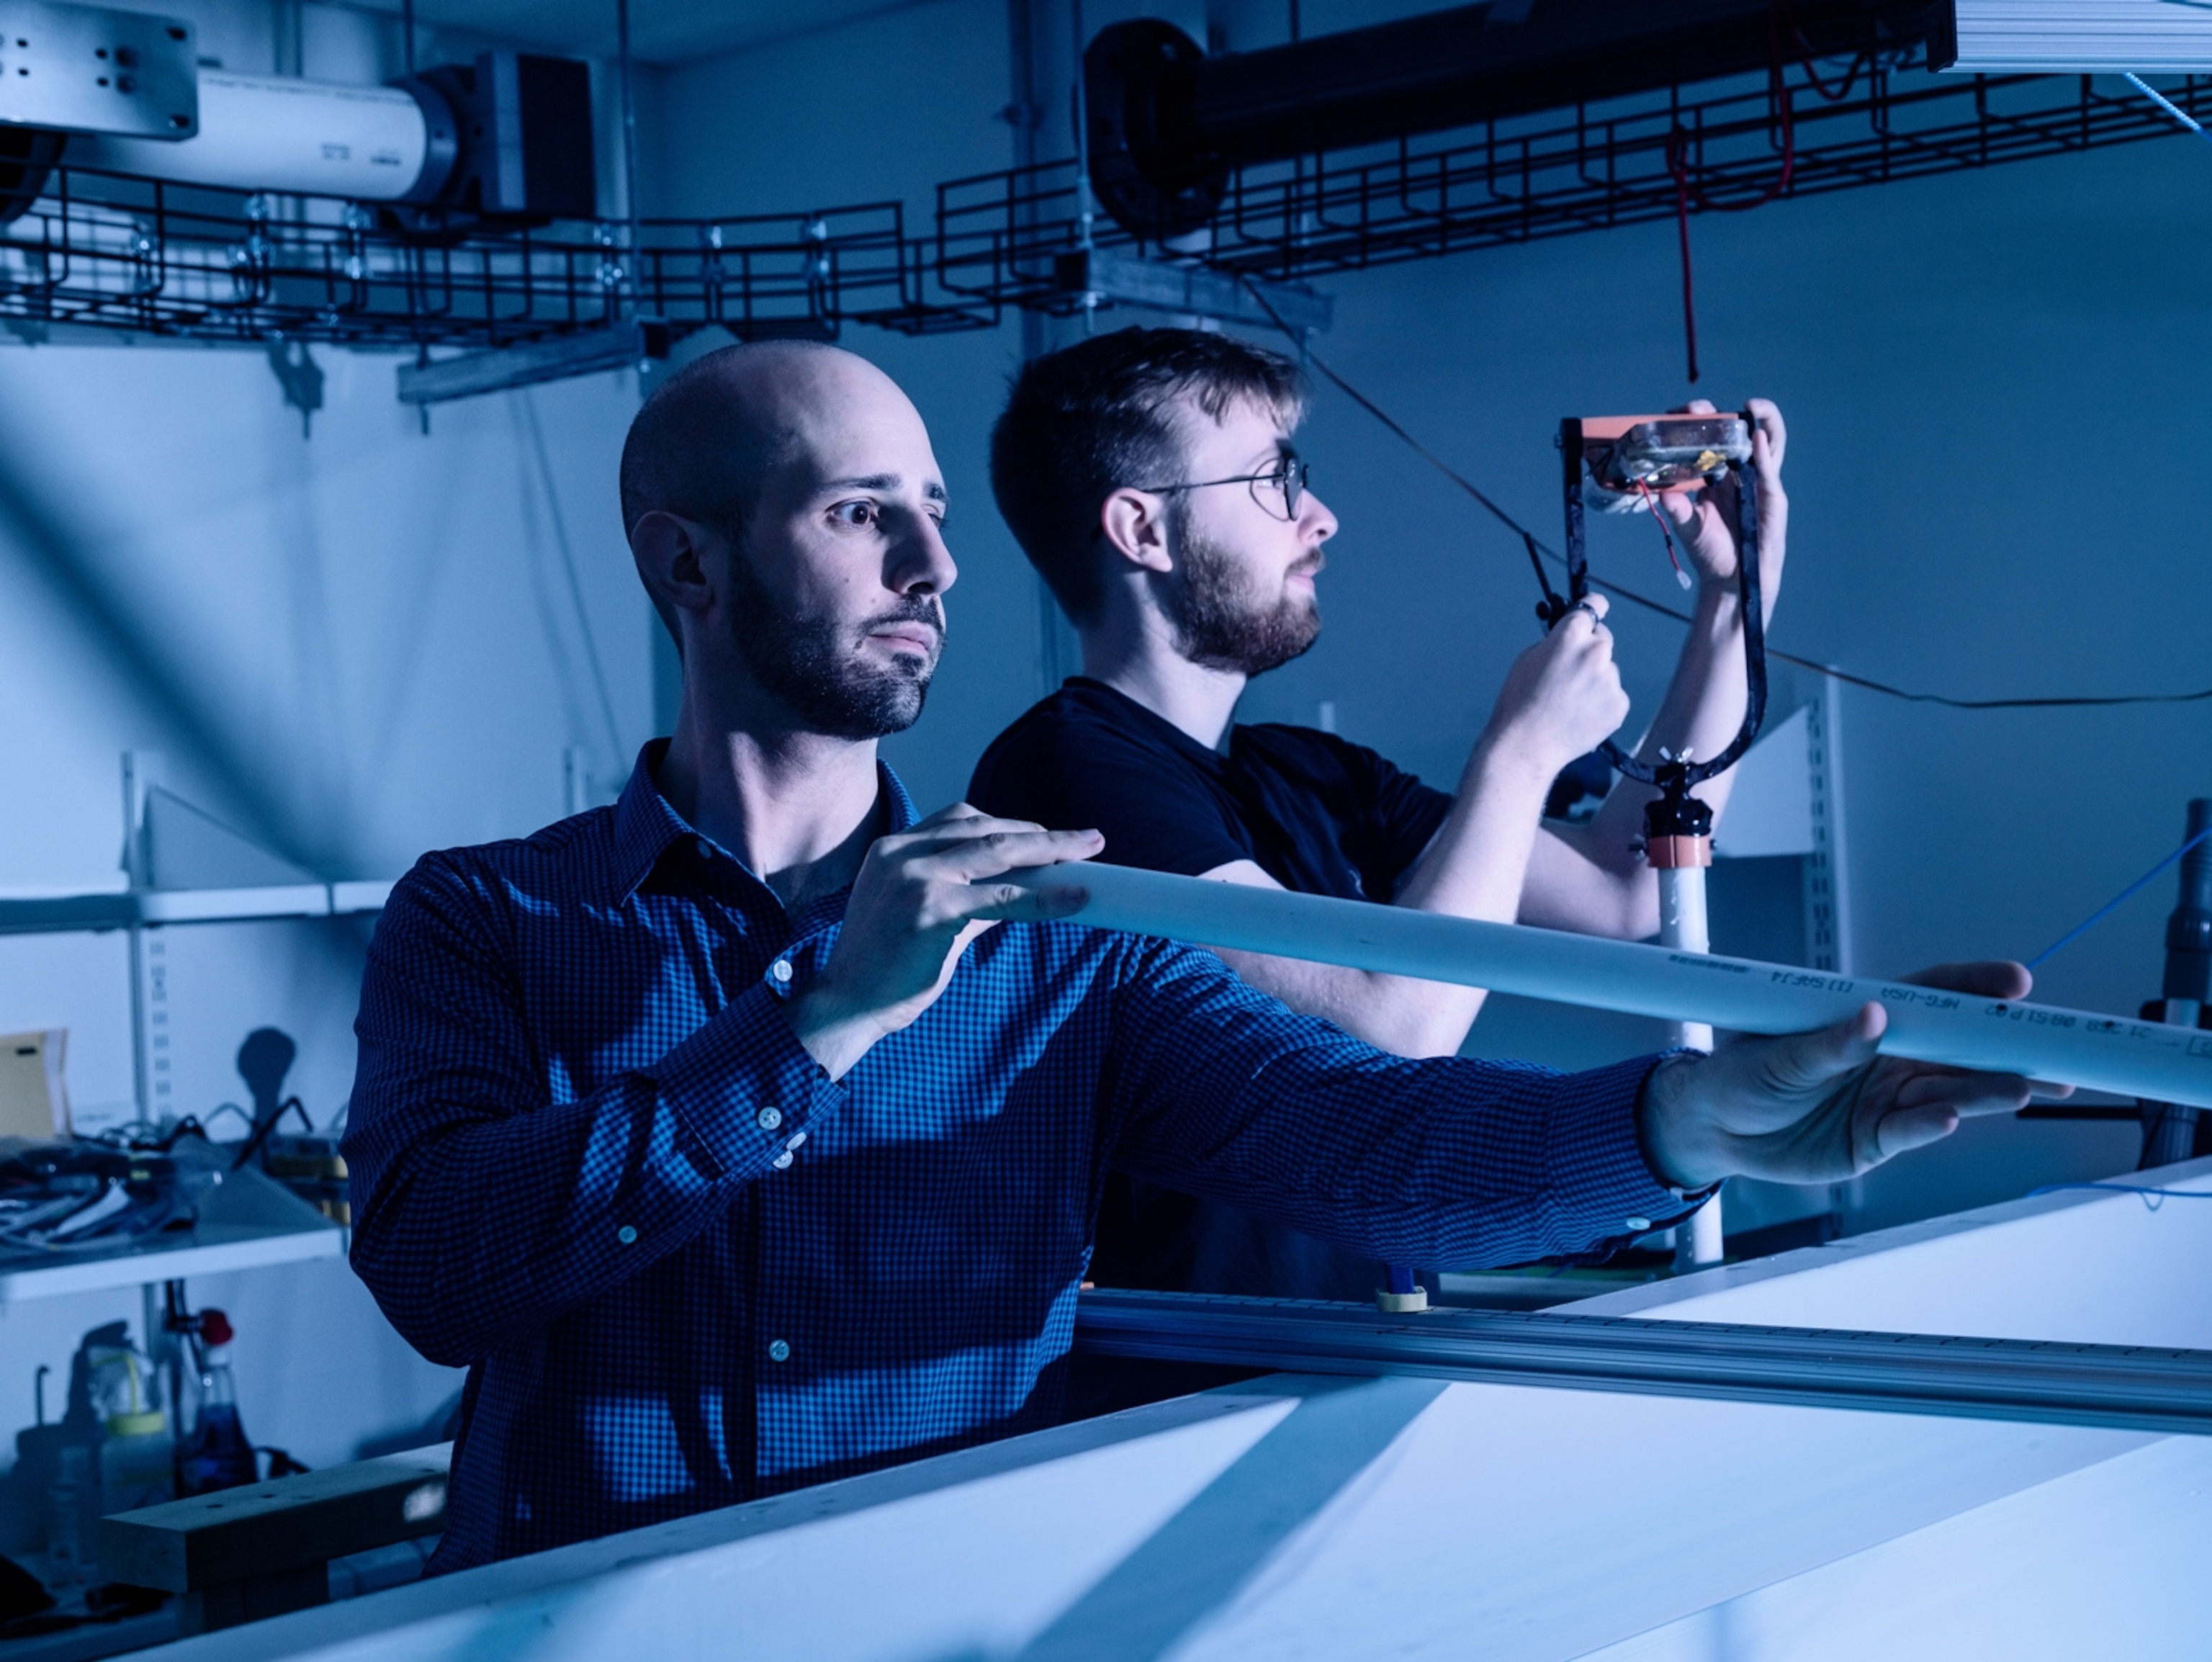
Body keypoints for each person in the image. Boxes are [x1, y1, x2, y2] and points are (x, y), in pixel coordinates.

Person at [343, 340, 2037, 1570]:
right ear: (685, 560)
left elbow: (1381, 1144)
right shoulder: (488, 920)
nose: (934, 564)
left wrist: (1679, 1126)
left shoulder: (1068, 933)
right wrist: (814, 1026)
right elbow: (435, 1270)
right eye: (867, 513)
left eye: (933, 512)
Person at [971, 328, 1783, 1301]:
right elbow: (1379, 1044)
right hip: (1185, 1401)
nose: (1321, 518)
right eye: (1274, 482)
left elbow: (1624, 888)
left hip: (1363, 1352)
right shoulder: (1066, 773)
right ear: (1142, 532)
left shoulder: (1311, 774)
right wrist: (1520, 754)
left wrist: (1738, 596)